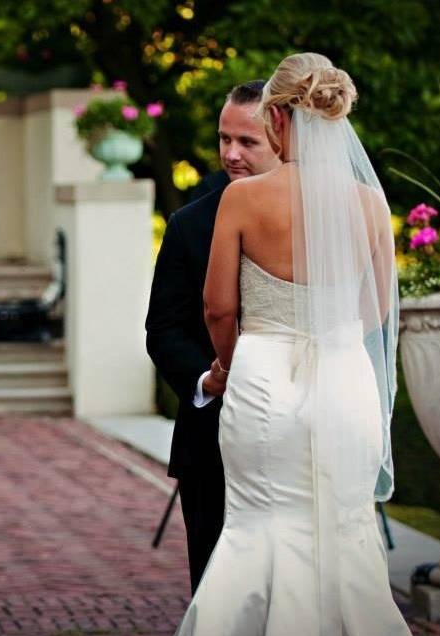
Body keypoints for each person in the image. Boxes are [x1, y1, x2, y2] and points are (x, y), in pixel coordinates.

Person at [174, 53, 411, 636]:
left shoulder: (244, 200)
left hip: (262, 376)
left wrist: (229, 364)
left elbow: (218, 307)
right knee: (344, 524)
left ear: (277, 117)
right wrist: (329, 341)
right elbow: (377, 307)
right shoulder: (368, 203)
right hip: (344, 377)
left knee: (259, 524)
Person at [146, 80, 281, 594]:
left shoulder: (323, 222)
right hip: (213, 441)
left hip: (301, 431)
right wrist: (208, 380)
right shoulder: (188, 224)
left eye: (247, 142)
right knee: (217, 587)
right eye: (224, 139)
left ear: (282, 138)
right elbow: (162, 329)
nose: (231, 153)